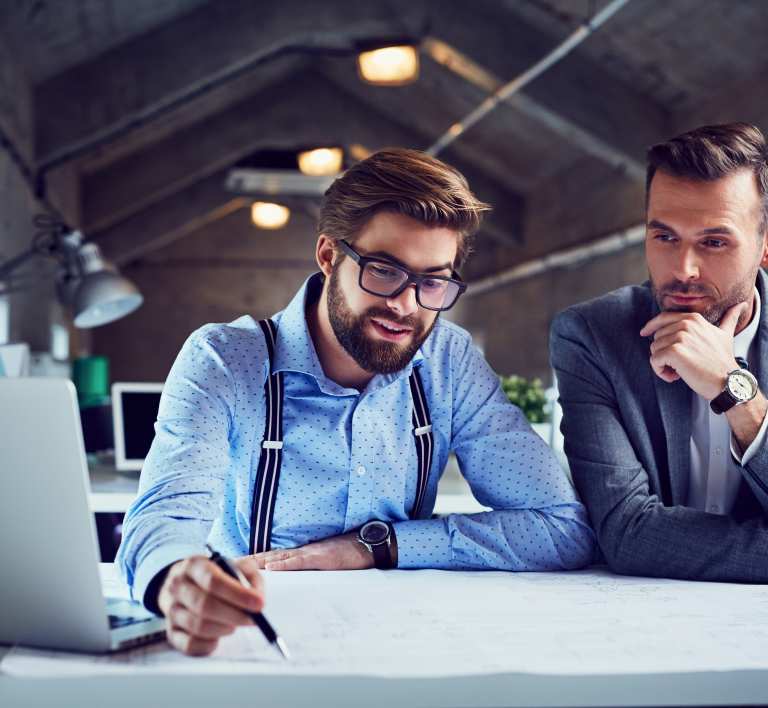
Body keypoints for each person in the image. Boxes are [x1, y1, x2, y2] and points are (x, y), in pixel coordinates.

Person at [118, 148, 595, 655]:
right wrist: (175, 581)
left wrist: (377, 547)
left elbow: (559, 526)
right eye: (385, 271)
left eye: (431, 281)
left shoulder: (448, 360)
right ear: (328, 256)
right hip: (254, 638)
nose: (405, 305)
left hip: (404, 642)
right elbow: (161, 519)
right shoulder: (225, 360)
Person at [550, 123, 768, 582]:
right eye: (664, 237)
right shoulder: (592, 336)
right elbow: (626, 532)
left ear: (764, 246)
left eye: (714, 241)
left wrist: (733, 392)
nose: (683, 269)